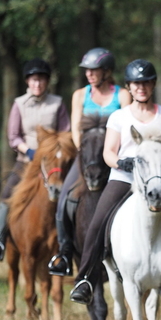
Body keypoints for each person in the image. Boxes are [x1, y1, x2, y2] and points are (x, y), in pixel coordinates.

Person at [69, 59, 161, 305]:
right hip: (125, 177)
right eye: (136, 84)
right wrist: (122, 163)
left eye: (146, 83)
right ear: (129, 87)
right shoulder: (118, 117)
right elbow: (108, 152)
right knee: (98, 221)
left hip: (158, 178)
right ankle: (85, 278)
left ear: (153, 85)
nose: (141, 88)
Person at [47, 47, 131, 276]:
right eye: (87, 71)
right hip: (87, 157)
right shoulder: (80, 95)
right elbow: (75, 130)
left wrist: (112, 153)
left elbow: (128, 126)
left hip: (114, 156)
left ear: (107, 71)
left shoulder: (122, 95)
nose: (89, 74)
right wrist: (84, 152)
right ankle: (65, 252)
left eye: (94, 70)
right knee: (64, 197)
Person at [0, 59, 71, 261]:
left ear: (47, 82)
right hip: (26, 161)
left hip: (52, 163)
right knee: (6, 196)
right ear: (27, 82)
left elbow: (65, 133)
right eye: (33, 80)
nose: (37, 84)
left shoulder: (57, 103)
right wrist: (29, 151)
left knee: (69, 196)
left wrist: (52, 153)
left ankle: (68, 244)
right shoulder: (19, 104)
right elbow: (14, 136)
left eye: (41, 80)